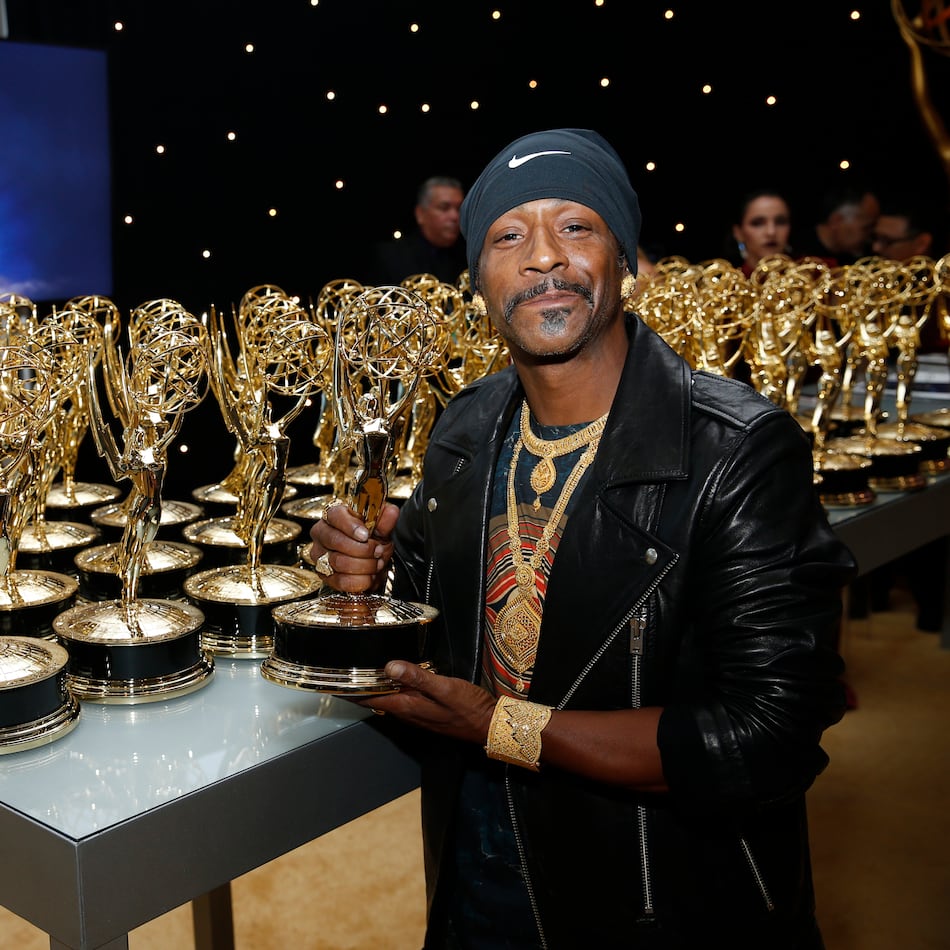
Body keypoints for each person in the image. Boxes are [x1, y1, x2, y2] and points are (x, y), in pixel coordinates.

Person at [311, 128, 856, 948]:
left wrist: (503, 724)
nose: (542, 259)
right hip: (475, 868)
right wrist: (367, 586)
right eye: (508, 236)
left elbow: (768, 733)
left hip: (654, 890)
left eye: (575, 226)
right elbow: (431, 640)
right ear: (479, 281)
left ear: (624, 259)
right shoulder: (463, 429)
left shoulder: (736, 450)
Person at [365, 175, 467, 286]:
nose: (455, 216)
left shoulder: (470, 256)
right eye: (444, 208)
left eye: (459, 209)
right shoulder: (390, 257)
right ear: (420, 214)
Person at [795, 183, 880, 266]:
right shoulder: (796, 255)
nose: (870, 238)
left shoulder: (859, 259)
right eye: (866, 228)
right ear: (836, 221)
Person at [730, 187, 794, 275]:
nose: (771, 232)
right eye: (758, 223)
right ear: (738, 232)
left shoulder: (811, 278)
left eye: (780, 222)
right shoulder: (727, 286)